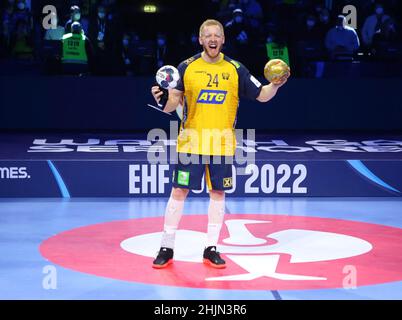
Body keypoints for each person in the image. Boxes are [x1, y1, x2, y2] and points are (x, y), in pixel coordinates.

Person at [150, 19, 288, 269]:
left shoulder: (236, 69)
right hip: (191, 143)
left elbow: (263, 96)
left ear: (223, 40)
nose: (212, 39)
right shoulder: (186, 67)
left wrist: (275, 85)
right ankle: (166, 246)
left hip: (222, 144)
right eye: (207, 35)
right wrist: (163, 100)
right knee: (179, 192)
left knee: (218, 193)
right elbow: (172, 105)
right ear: (200, 40)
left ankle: (211, 248)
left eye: (217, 35)